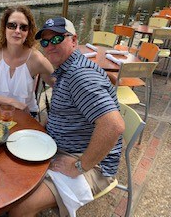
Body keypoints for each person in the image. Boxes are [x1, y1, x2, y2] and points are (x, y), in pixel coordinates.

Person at [9, 17, 125, 216]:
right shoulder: (67, 69)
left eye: (56, 39)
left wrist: (80, 166)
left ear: (73, 40)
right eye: (45, 42)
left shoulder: (80, 76)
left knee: (21, 205)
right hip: (64, 147)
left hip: (91, 163)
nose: (49, 46)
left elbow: (113, 125)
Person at [0, 6, 55, 116]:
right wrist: (11, 102)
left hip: (26, 115)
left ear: (28, 32)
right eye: (12, 26)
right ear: (4, 28)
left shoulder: (37, 59)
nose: (17, 31)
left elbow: (59, 88)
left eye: (23, 27)